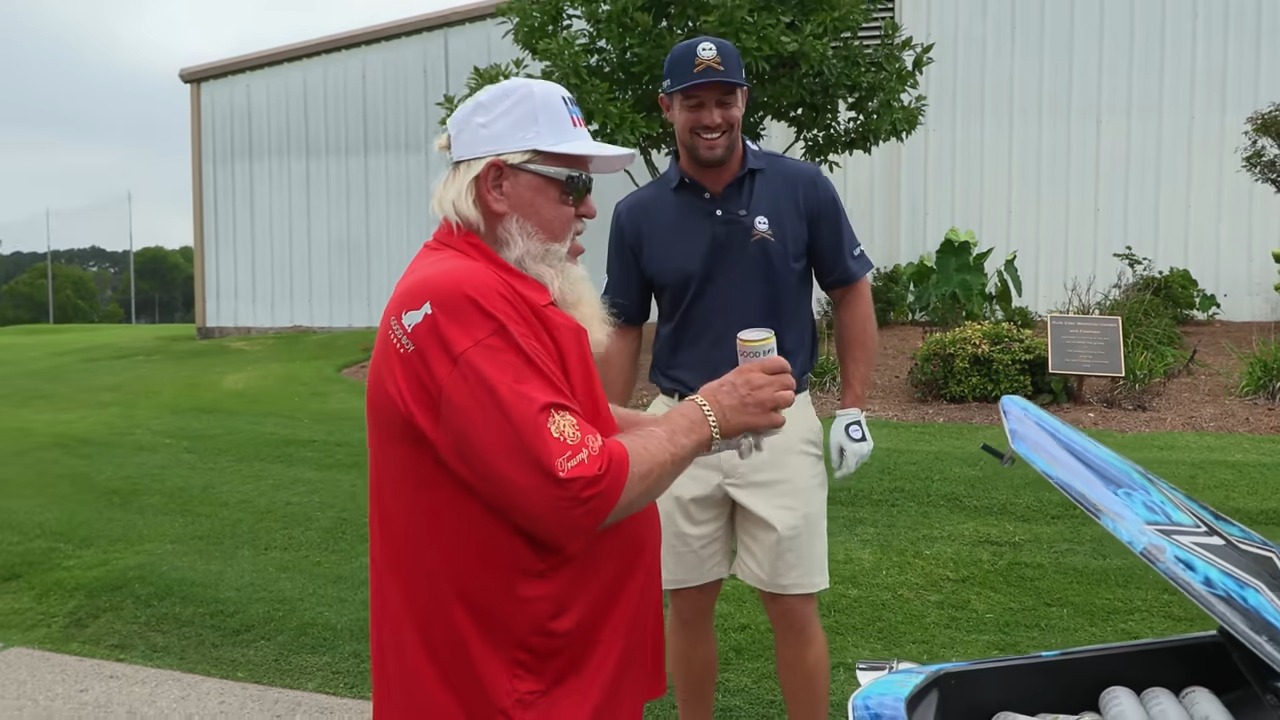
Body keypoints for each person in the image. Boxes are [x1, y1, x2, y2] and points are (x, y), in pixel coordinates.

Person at [363, 76, 798, 720]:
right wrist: (705, 418)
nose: (589, 208)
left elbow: (563, 420)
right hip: (512, 681)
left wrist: (696, 418)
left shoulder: (481, 284)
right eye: (573, 184)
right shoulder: (468, 306)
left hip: (531, 664)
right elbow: (579, 486)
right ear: (497, 186)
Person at [596, 36, 880, 720]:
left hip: (782, 418)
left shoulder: (802, 187)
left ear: (745, 100)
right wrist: (602, 417)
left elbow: (850, 290)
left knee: (793, 602)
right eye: (694, 102)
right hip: (681, 422)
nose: (712, 115)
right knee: (686, 602)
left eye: (725, 98)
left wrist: (852, 408)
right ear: (668, 108)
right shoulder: (637, 214)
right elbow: (625, 322)